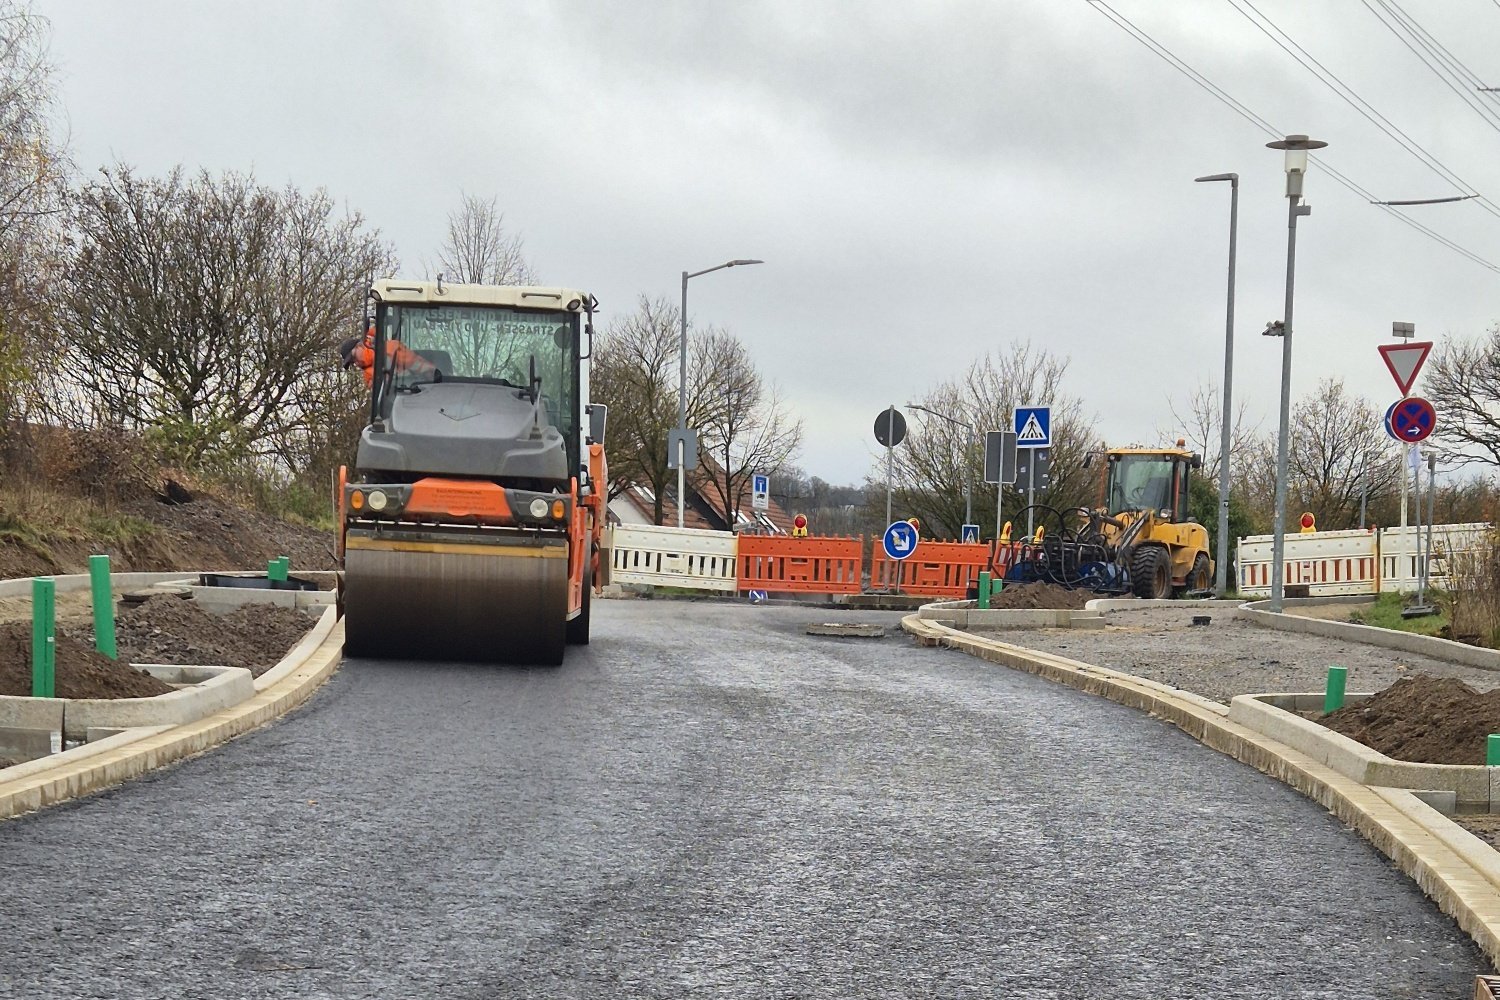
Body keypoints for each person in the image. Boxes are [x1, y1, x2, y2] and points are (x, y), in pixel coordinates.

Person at [338, 326, 437, 387]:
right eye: (352, 363)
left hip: (415, 392)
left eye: (354, 357)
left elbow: (424, 369)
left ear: (360, 346)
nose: (356, 362)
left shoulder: (391, 349)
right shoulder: (368, 375)